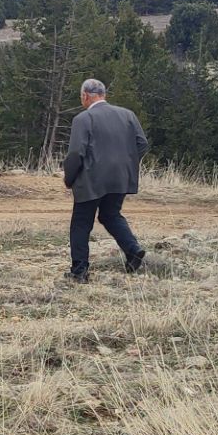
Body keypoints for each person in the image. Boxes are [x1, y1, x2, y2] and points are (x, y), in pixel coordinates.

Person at [62, 78, 147, 283]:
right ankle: (133, 250)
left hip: (91, 180)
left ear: (85, 96)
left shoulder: (83, 119)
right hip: (120, 178)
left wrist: (69, 178)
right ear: (103, 94)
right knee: (110, 215)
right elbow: (142, 144)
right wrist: (126, 162)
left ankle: (79, 271)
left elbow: (75, 153)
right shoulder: (128, 115)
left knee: (81, 223)